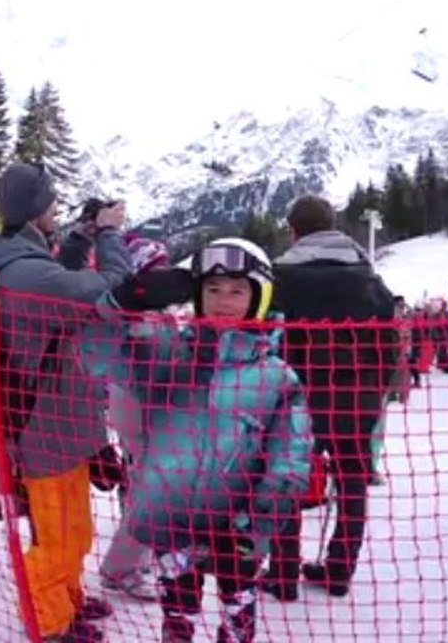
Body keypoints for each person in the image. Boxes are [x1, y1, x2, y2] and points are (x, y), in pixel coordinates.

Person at [80, 237, 312, 643]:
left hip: (237, 526)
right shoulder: (166, 353)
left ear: (258, 298)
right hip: (172, 519)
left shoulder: (275, 377)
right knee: (177, 619)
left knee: (238, 619)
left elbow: (289, 463)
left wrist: (256, 525)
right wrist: (117, 305)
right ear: (198, 295)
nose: (224, 301)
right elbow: (94, 356)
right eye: (214, 290)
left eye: (238, 291)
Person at [0, 162, 131, 643]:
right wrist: (110, 236)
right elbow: (110, 283)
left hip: (58, 423)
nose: (57, 208)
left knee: (75, 531)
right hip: (43, 429)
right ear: (37, 208)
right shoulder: (25, 271)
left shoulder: (16, 260)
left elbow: (54, 272)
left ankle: (66, 602)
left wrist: (83, 235)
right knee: (54, 539)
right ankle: (49, 626)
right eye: (52, 201)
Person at [265, 194, 398, 601]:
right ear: (334, 225)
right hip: (354, 395)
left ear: (293, 229)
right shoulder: (367, 277)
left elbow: (267, 336)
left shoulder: (279, 278)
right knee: (352, 480)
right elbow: (388, 340)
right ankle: (339, 570)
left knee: (285, 478)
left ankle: (283, 573)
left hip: (295, 395)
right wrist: (376, 387)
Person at [99, 233, 172, 601]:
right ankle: (121, 568)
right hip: (138, 409)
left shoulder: (151, 312)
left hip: (140, 407)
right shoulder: (136, 315)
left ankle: (133, 561)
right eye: (159, 269)